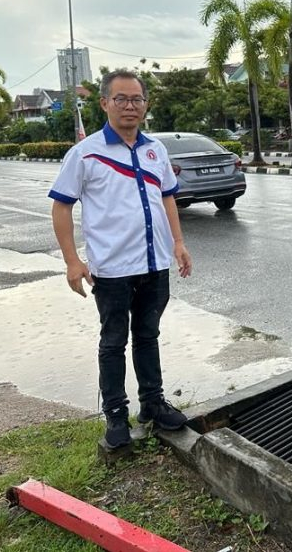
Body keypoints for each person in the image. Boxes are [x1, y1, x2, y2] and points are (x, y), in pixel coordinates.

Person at [49, 69, 193, 448]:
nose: (130, 106)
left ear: (146, 105)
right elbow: (61, 206)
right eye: (121, 99)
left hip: (154, 264)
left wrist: (178, 242)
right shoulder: (85, 153)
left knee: (148, 336)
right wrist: (72, 261)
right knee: (113, 342)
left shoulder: (155, 150)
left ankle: (152, 404)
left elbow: (167, 197)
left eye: (137, 100)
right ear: (104, 103)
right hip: (112, 269)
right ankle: (115, 415)